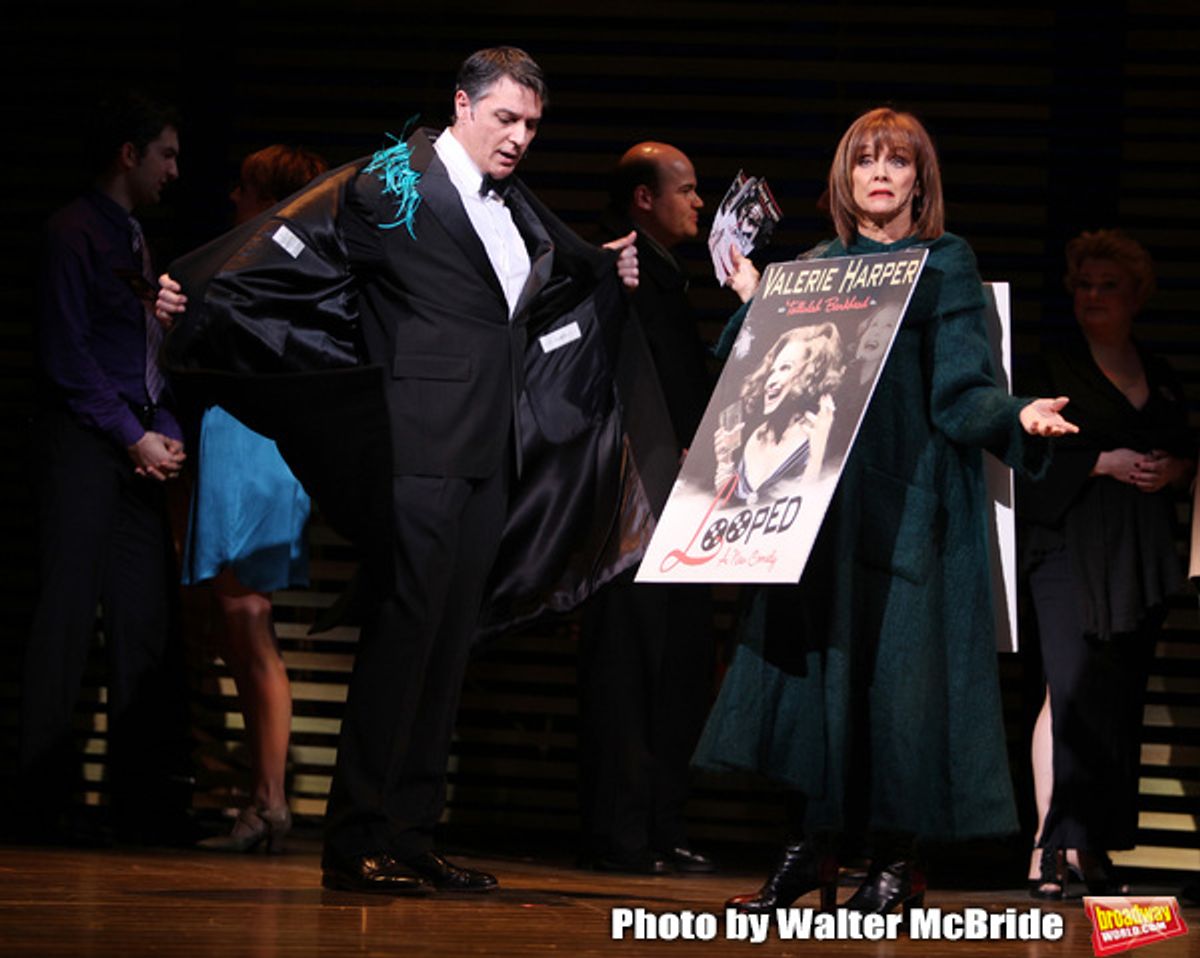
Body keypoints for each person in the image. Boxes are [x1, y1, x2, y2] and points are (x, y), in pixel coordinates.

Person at [157, 47, 642, 896]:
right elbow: (286, 239)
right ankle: (356, 839)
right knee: (403, 636)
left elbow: (563, 270)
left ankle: (411, 837)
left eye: (532, 124)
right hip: (415, 450)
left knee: (449, 646)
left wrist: (617, 264)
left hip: (490, 452)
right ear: (462, 104)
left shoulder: (517, 202)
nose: (520, 137)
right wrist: (191, 288)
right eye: (505, 119)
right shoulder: (391, 179)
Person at [692, 106, 1077, 915]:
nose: (879, 172)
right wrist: (755, 301)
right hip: (815, 513)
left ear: (917, 179)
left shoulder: (945, 262)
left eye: (896, 161)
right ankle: (806, 852)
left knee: (901, 686)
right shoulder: (815, 265)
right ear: (844, 176)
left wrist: (1018, 415)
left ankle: (895, 861)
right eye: (865, 158)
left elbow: (963, 389)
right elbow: (748, 381)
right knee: (813, 682)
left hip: (909, 510)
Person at [20, 90, 191, 845]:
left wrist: (168, 427)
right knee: (63, 623)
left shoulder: (135, 240)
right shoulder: (73, 233)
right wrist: (133, 433)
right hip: (88, 445)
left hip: (137, 448)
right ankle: (35, 805)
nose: (174, 170)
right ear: (130, 154)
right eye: (166, 154)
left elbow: (145, 354)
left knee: (142, 623)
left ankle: (141, 809)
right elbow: (68, 355)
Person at [1019, 230, 1194, 898]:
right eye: (1084, 284)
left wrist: (1173, 470)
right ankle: (1050, 848)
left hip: (1141, 550)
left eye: (1107, 285)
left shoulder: (1161, 371)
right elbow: (1021, 455)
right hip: (1069, 543)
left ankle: (1090, 846)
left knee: (1117, 697)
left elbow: (1185, 453)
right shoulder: (1053, 368)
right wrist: (1100, 461)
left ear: (1136, 296)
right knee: (1068, 686)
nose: (1092, 296)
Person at [177, 145, 328, 853]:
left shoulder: (275, 267)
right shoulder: (274, 267)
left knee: (247, 618)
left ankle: (268, 801)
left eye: (242, 186)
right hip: (241, 439)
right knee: (238, 622)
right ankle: (261, 799)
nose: (231, 197)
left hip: (255, 443)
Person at [577, 142, 715, 875]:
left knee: (679, 666)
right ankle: (623, 833)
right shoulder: (618, 269)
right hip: (632, 507)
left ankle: (661, 824)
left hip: (682, 503)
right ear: (642, 198)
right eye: (686, 191)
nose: (698, 203)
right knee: (629, 669)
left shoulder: (669, 275)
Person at [712, 323, 843, 502]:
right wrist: (724, 461)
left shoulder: (818, 436)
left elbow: (809, 506)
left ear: (810, 374)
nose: (770, 381)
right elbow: (729, 504)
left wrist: (816, 454)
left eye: (785, 368)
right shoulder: (758, 435)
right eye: (772, 371)